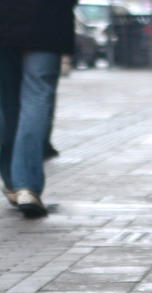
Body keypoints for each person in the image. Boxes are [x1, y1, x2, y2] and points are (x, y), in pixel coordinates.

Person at [0, 0, 76, 218]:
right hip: (46, 24)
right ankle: (27, 186)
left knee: (8, 105)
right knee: (37, 100)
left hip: (4, 23)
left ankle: (14, 183)